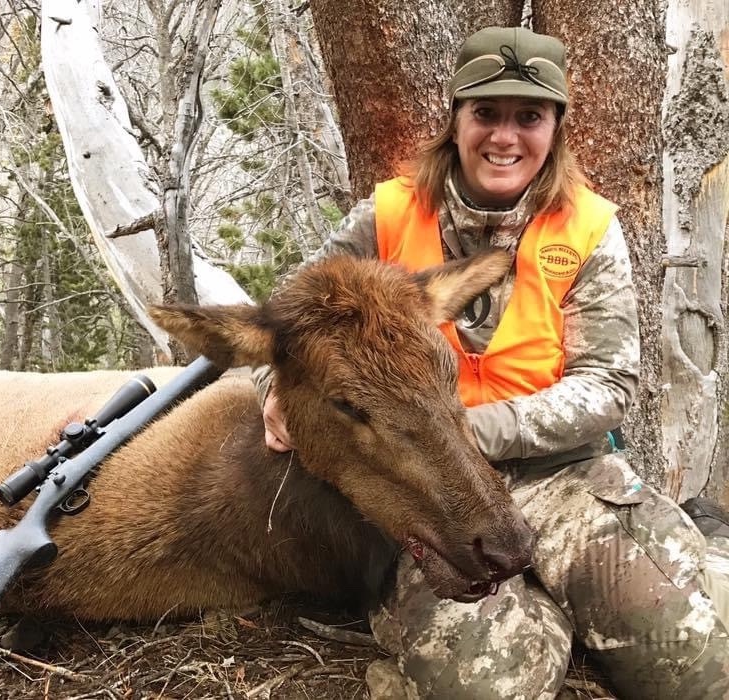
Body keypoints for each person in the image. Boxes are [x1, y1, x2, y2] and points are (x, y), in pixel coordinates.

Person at [253, 26, 729, 699]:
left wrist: (469, 431)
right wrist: (273, 392)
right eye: (486, 114)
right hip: (423, 487)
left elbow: (608, 386)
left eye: (528, 117)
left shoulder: (588, 229)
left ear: (555, 128)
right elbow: (284, 329)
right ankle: (544, 615)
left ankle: (593, 583)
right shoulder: (384, 216)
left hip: (562, 477)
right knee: (482, 689)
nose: (505, 137)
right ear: (455, 121)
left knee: (693, 671)